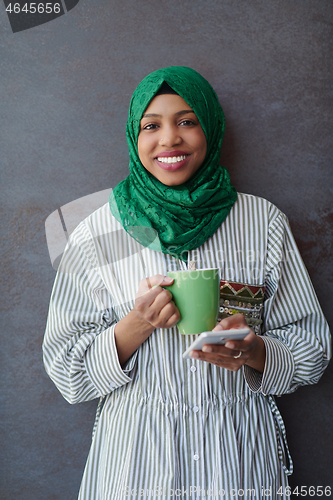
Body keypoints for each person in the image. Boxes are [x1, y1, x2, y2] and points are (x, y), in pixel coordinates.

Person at [43, 66, 331, 500]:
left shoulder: (261, 223)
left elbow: (312, 345)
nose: (169, 140)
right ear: (133, 137)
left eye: (186, 121)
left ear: (210, 128)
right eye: (151, 126)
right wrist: (135, 325)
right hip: (137, 463)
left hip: (237, 460)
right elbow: (67, 372)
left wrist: (256, 351)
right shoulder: (97, 233)